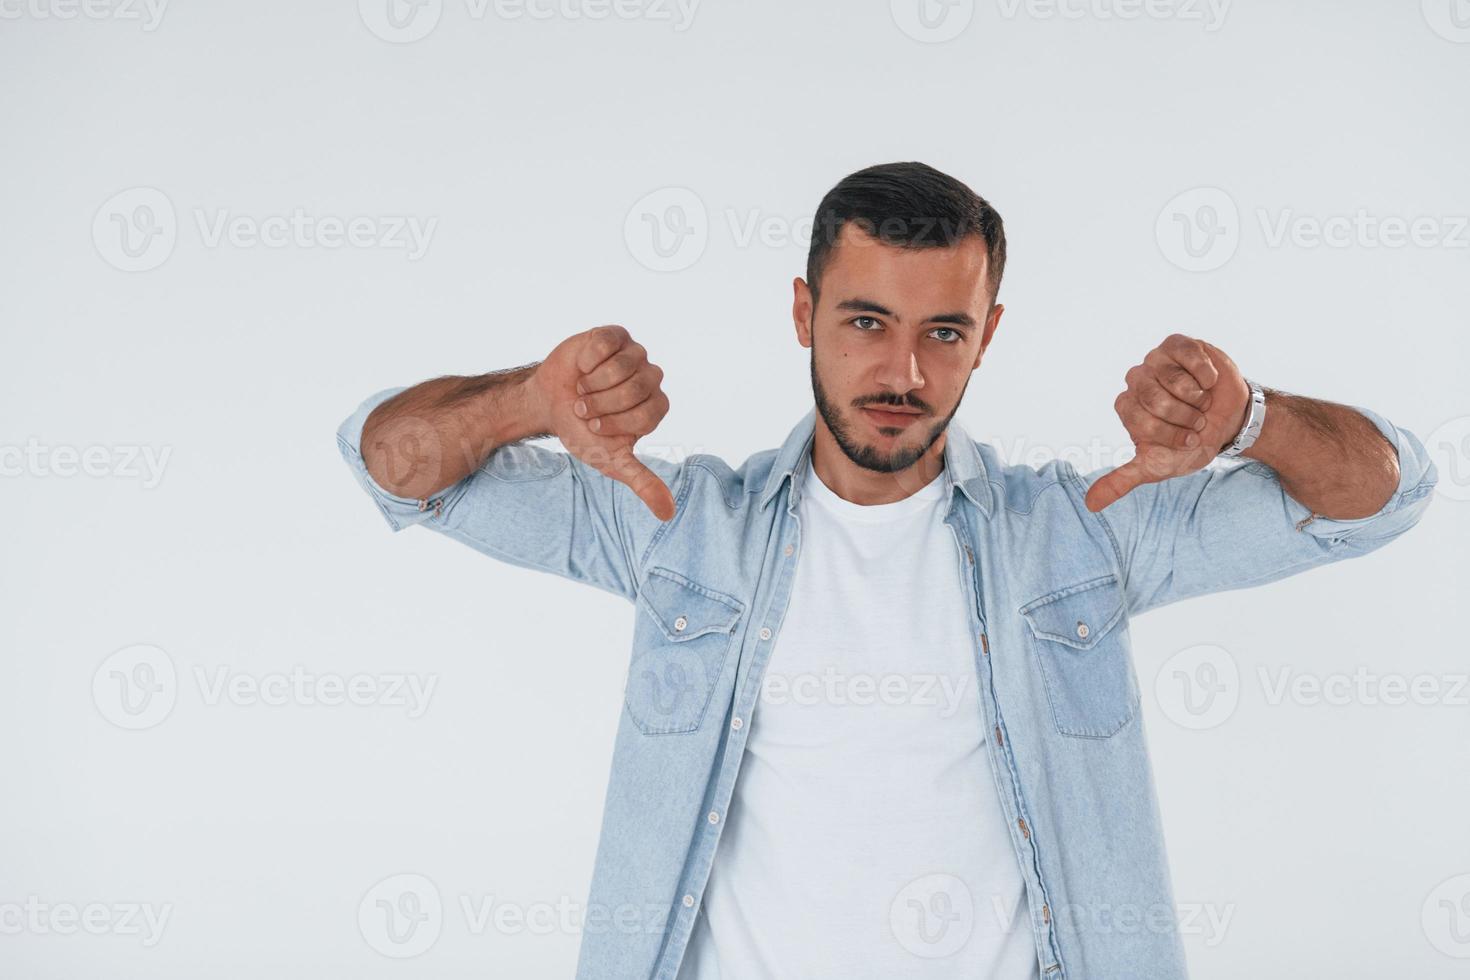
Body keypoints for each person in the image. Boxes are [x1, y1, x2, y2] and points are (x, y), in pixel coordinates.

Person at [335, 161, 1437, 979]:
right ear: (804, 312)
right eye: (865, 319)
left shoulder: (1080, 534)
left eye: (943, 332)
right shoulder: (677, 524)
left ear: (988, 334)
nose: (901, 369)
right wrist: (530, 399)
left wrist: (1250, 418)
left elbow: (1384, 497)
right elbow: (394, 466)